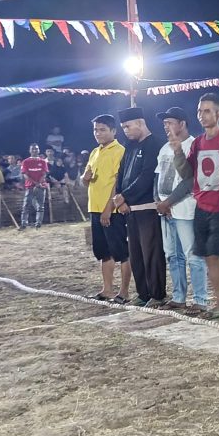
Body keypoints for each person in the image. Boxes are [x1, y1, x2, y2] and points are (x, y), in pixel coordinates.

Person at [174, 93, 219, 321]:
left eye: (207, 111)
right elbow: (188, 174)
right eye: (199, 111)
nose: (202, 115)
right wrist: (178, 152)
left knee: (217, 255)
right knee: (208, 256)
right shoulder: (198, 142)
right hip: (202, 206)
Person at [154, 106, 208, 313]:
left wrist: (167, 202)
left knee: (193, 256)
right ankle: (178, 296)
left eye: (169, 122)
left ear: (182, 124)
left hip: (186, 209)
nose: (165, 126)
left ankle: (200, 299)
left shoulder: (194, 145)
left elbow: (190, 180)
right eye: (164, 123)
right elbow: (157, 177)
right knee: (173, 256)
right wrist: (158, 201)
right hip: (166, 210)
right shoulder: (164, 148)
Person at [112, 107, 166, 308]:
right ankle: (143, 294)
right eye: (123, 127)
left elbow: (147, 176)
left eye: (128, 126)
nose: (125, 130)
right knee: (136, 255)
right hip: (129, 209)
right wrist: (120, 199)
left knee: (152, 253)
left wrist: (124, 196)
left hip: (148, 209)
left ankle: (157, 295)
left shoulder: (155, 144)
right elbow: (121, 173)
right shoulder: (130, 146)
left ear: (140, 123)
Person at [83, 114, 131, 303]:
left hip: (112, 210)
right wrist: (85, 178)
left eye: (102, 129)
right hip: (94, 208)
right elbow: (86, 179)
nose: (98, 133)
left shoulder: (120, 151)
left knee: (122, 252)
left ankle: (124, 292)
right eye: (95, 129)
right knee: (103, 251)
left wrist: (108, 209)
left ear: (113, 131)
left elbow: (118, 183)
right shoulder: (94, 152)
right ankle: (107, 290)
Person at [20, 143, 50, 229]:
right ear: (30, 150)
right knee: (26, 205)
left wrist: (39, 183)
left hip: (41, 186)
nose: (34, 150)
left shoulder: (43, 161)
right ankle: (24, 224)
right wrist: (35, 183)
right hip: (30, 186)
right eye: (33, 149)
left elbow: (44, 174)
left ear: (39, 150)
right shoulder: (25, 162)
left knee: (40, 206)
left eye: (36, 149)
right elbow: (25, 175)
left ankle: (38, 224)